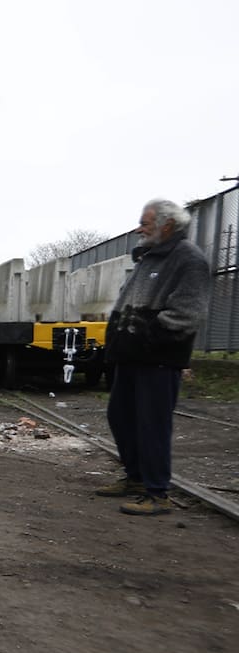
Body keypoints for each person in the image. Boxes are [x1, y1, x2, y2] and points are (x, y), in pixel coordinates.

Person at [96, 198, 210, 516]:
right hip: (131, 355)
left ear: (167, 225)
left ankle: (157, 492)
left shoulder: (188, 259)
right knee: (120, 417)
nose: (139, 229)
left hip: (158, 357)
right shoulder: (149, 257)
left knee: (152, 425)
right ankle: (135, 478)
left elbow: (188, 312)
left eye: (144, 223)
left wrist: (147, 335)